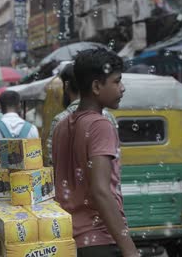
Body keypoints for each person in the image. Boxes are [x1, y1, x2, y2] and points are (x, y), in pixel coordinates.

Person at [52, 48, 138, 257]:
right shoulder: (100, 125)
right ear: (97, 86)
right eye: (117, 81)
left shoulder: (62, 125)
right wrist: (130, 250)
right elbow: (101, 191)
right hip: (98, 240)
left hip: (68, 238)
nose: (122, 88)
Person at [47, 64, 117, 165]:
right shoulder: (108, 116)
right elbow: (114, 159)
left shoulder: (60, 120)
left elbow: (53, 160)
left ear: (66, 86)